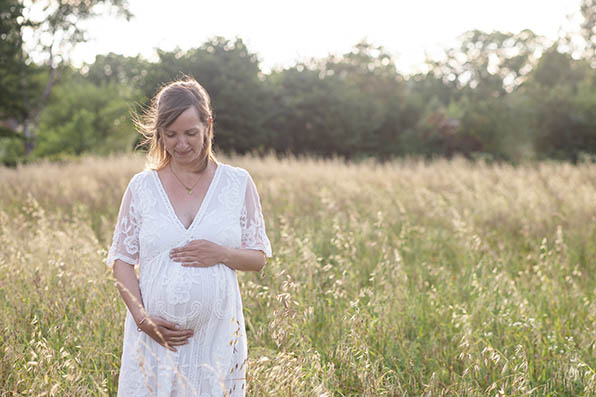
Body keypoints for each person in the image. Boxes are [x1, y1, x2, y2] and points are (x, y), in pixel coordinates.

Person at [107, 77, 272, 396]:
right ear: (160, 133)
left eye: (190, 133)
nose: (181, 144)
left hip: (217, 341)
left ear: (208, 125)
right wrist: (143, 320)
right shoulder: (141, 188)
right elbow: (121, 261)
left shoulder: (237, 183)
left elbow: (258, 258)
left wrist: (222, 254)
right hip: (154, 341)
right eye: (170, 135)